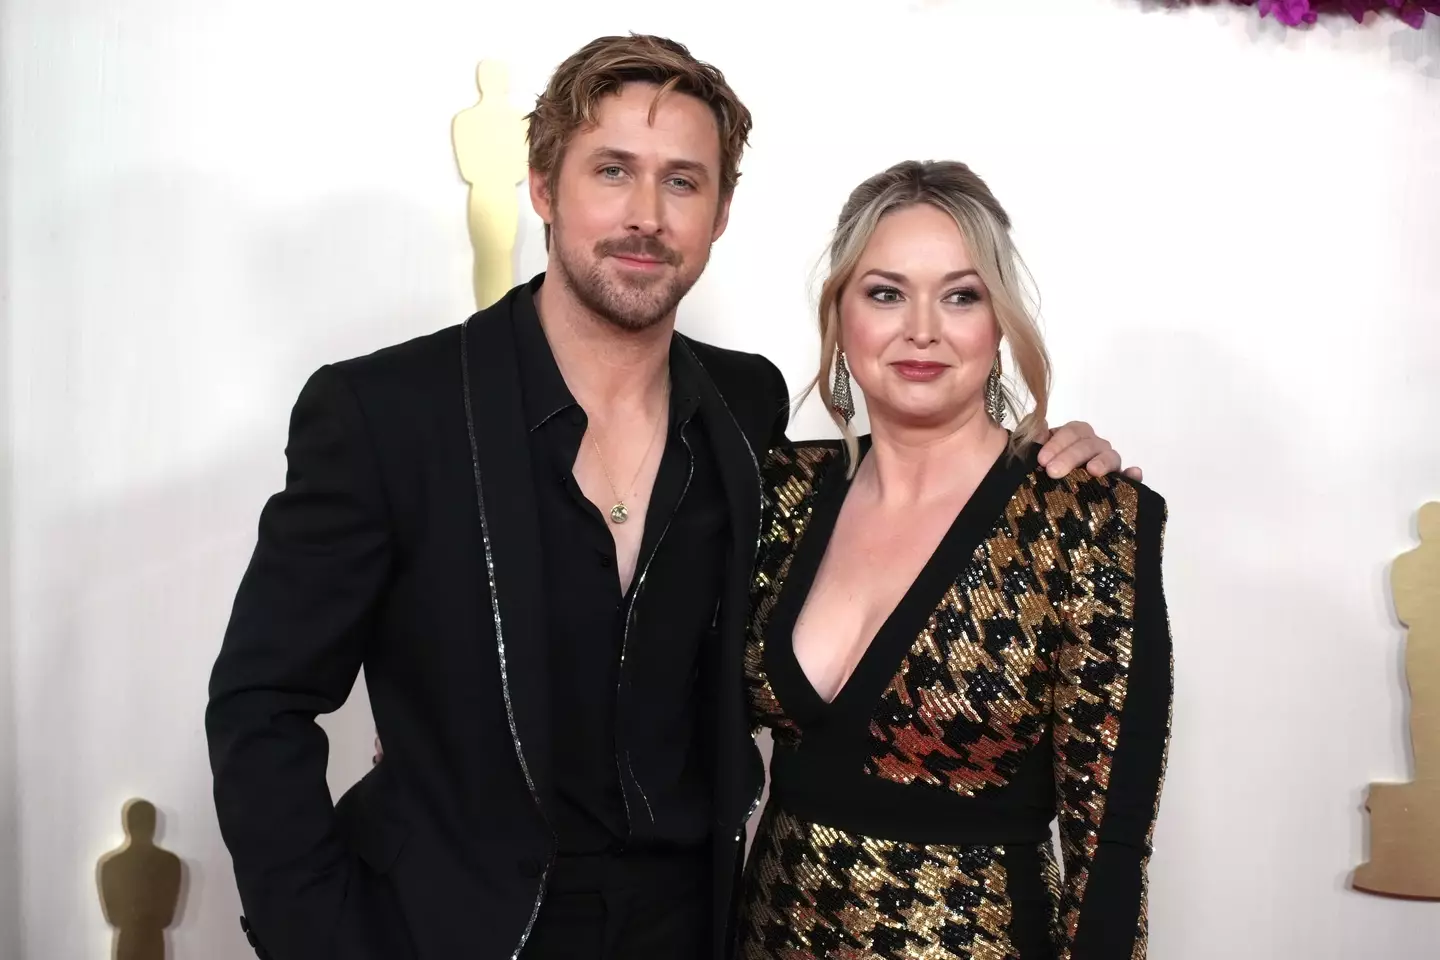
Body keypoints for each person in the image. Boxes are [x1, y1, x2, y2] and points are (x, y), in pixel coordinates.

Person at [205, 35, 1137, 960]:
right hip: (451, 925)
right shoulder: (385, 413)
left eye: (683, 182)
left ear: (721, 213)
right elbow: (261, 703)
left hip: (699, 927)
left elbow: (916, 485)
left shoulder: (747, 410)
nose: (646, 215)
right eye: (613, 170)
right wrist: (323, 938)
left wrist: (1050, 456)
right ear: (542, 186)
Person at [739, 160, 1173, 960]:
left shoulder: (1083, 518)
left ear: (1000, 321)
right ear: (840, 314)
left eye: (961, 295)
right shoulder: (781, 493)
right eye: (885, 292)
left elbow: (1109, 844)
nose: (923, 329)